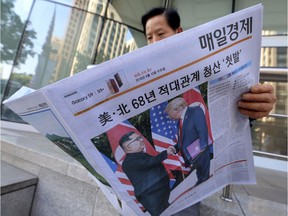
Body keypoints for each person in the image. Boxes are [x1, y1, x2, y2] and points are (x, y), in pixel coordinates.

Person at [141, 7, 277, 216]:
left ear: (179, 32)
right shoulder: (143, 76)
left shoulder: (204, 70)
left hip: (191, 184)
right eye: (149, 37)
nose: (154, 43)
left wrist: (253, 108)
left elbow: (221, 120)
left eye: (161, 34)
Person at [119, 131, 175, 216]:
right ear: (128, 147)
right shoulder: (128, 162)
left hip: (159, 193)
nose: (141, 140)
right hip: (151, 196)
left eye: (140, 137)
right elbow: (149, 163)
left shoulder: (140, 155)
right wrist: (166, 153)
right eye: (137, 139)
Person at [165, 97, 211, 185]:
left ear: (177, 109)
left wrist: (202, 150)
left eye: (169, 113)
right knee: (201, 181)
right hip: (193, 156)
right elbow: (183, 140)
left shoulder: (195, 111)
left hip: (200, 154)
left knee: (205, 181)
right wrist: (175, 149)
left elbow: (202, 131)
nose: (169, 116)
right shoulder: (180, 121)